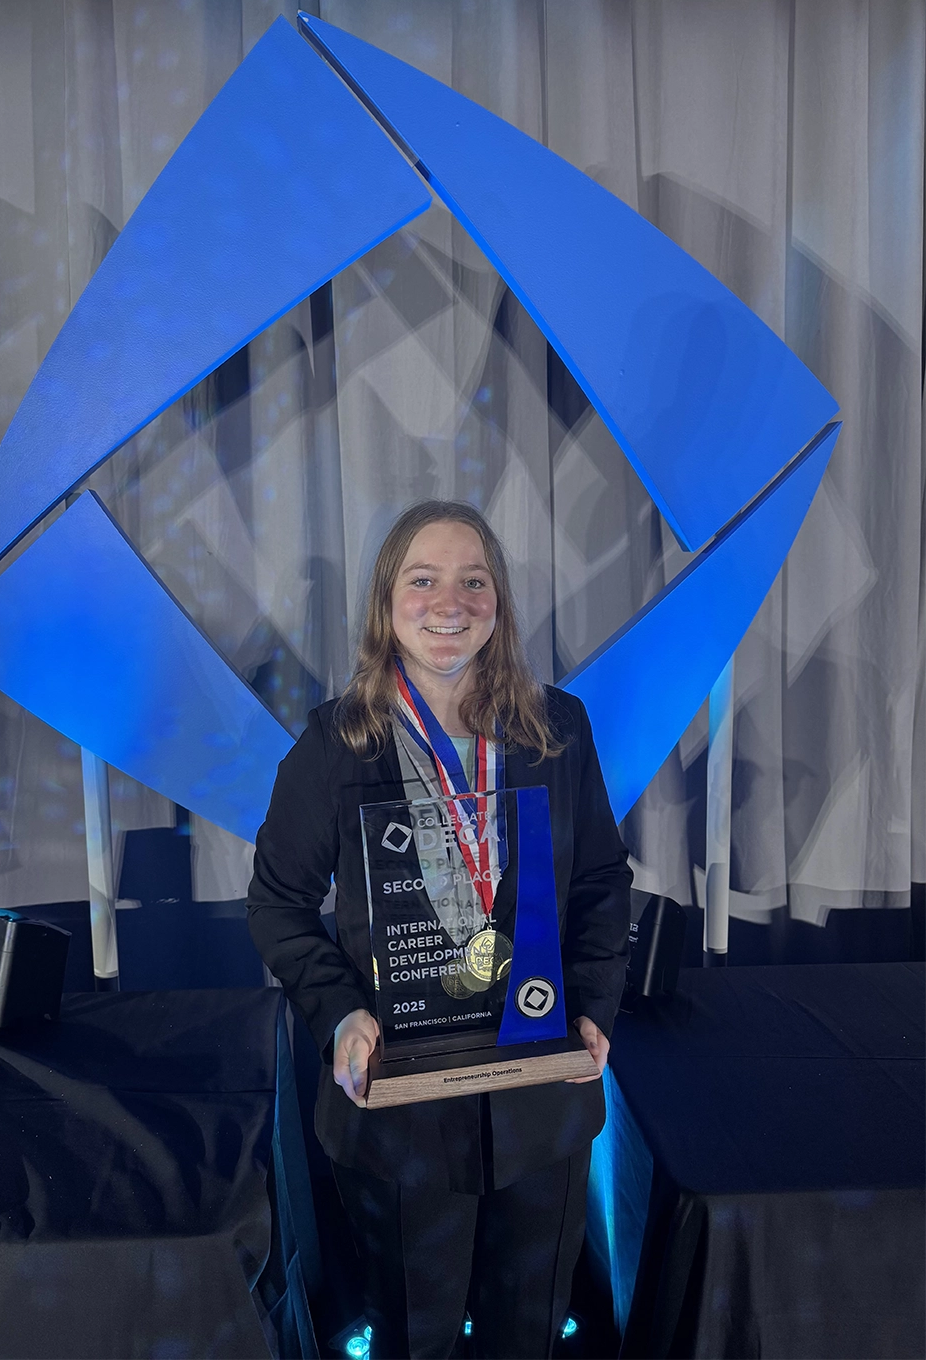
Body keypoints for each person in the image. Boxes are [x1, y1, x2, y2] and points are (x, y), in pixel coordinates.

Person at [247, 500, 631, 1360]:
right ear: (387, 601)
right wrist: (340, 1013)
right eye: (422, 580)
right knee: (411, 1338)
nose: (447, 602)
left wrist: (596, 1004)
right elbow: (276, 905)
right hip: (402, 1113)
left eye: (472, 580)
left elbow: (602, 880)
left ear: (498, 603)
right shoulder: (334, 745)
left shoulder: (557, 729)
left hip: (543, 1095)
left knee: (526, 1333)